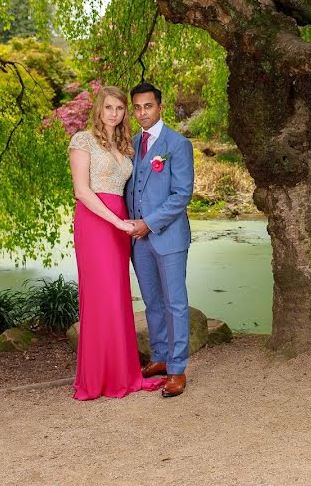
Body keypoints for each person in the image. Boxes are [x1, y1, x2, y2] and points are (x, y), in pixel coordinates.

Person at [68, 86, 166, 400]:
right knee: (101, 297)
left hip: (120, 223)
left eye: (120, 109)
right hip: (96, 222)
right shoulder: (82, 140)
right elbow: (82, 191)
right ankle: (97, 378)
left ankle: (122, 373)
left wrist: (138, 220)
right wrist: (116, 222)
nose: (114, 113)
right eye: (109, 107)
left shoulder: (125, 145)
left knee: (118, 296)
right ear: (99, 109)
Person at [126, 82, 195, 398]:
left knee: (175, 304)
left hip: (167, 238)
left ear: (160, 107)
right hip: (139, 241)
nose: (142, 113)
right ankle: (160, 358)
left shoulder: (177, 144)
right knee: (152, 302)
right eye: (137, 107)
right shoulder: (133, 143)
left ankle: (178, 369)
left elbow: (182, 195)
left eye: (148, 106)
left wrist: (148, 223)